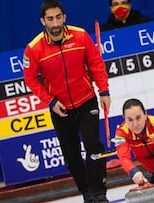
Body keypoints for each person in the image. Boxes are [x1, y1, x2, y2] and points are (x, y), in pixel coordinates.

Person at [22, 0, 111, 202]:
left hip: (87, 100)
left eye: (58, 17)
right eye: (50, 19)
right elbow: (30, 79)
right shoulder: (33, 48)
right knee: (71, 156)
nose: (55, 23)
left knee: (93, 146)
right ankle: (87, 192)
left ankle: (99, 193)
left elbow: (96, 63)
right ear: (42, 21)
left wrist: (104, 91)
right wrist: (51, 101)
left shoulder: (80, 35)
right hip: (60, 108)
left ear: (65, 17)